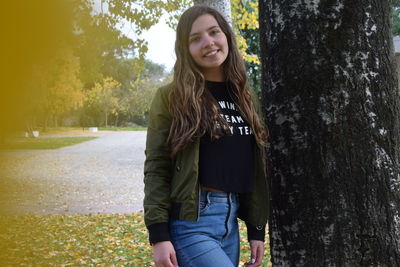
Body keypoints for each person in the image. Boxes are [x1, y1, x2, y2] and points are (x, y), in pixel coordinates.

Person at [143, 5, 269, 267]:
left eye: (214, 32)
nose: (208, 42)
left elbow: (253, 164)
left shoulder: (245, 97)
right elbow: (156, 166)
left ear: (226, 36)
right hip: (191, 224)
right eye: (195, 38)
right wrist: (158, 235)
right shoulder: (171, 97)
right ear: (185, 49)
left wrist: (256, 230)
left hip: (230, 223)